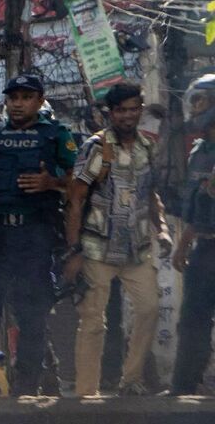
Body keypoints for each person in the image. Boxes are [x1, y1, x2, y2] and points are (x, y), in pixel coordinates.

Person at [0, 73, 76, 396]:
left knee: (32, 313)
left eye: (25, 97)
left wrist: (52, 183)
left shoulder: (56, 135)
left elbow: (79, 184)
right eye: (13, 97)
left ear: (39, 100)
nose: (18, 103)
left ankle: (27, 384)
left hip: (33, 234)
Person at [63, 84, 167, 397]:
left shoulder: (147, 148)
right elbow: (75, 198)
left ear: (141, 110)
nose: (127, 115)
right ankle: (86, 394)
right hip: (97, 248)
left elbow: (151, 194)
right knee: (94, 322)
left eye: (133, 108)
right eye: (121, 110)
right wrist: (74, 250)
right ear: (111, 113)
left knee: (149, 307)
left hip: (136, 249)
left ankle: (130, 380)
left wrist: (161, 228)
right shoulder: (97, 147)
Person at [168, 78, 215, 395]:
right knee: (192, 319)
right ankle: (184, 386)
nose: (196, 108)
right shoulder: (200, 151)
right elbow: (195, 204)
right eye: (194, 101)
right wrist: (183, 244)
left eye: (202, 102)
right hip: (205, 246)